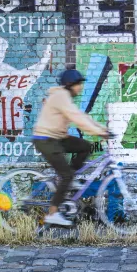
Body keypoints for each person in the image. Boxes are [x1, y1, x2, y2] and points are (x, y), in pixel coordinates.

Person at [33, 68, 110, 226]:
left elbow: (82, 116)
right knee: (66, 175)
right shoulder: (61, 96)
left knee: (85, 146)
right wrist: (99, 133)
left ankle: (70, 179)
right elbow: (77, 119)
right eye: (78, 84)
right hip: (46, 140)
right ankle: (52, 214)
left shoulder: (65, 97)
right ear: (70, 84)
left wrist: (103, 129)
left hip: (58, 138)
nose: (80, 87)